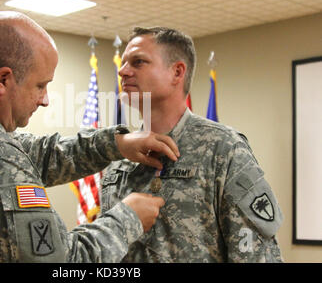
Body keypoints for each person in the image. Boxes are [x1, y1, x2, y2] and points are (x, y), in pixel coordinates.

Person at [0, 12, 181, 263]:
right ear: (3, 80)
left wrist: (115, 144)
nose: (45, 100)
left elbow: (37, 153)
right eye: (40, 85)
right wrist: (127, 219)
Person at [100, 27, 284, 262]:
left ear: (177, 72)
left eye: (138, 62)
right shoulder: (120, 155)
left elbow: (256, 256)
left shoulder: (223, 149)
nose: (123, 71)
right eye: (123, 63)